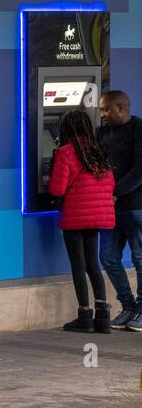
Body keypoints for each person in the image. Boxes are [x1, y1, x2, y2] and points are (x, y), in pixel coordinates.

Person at [48, 108, 116, 333]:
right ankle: (104, 317)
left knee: (78, 265)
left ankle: (84, 316)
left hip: (75, 215)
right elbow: (110, 184)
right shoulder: (99, 150)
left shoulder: (65, 152)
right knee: (93, 264)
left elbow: (57, 189)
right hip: (97, 216)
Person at [96, 90, 142, 330]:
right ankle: (129, 306)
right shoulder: (102, 132)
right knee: (109, 258)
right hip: (111, 207)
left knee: (140, 258)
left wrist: (115, 192)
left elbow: (139, 171)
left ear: (122, 108)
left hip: (136, 205)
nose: (102, 114)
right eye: (101, 109)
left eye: (106, 109)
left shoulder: (138, 129)